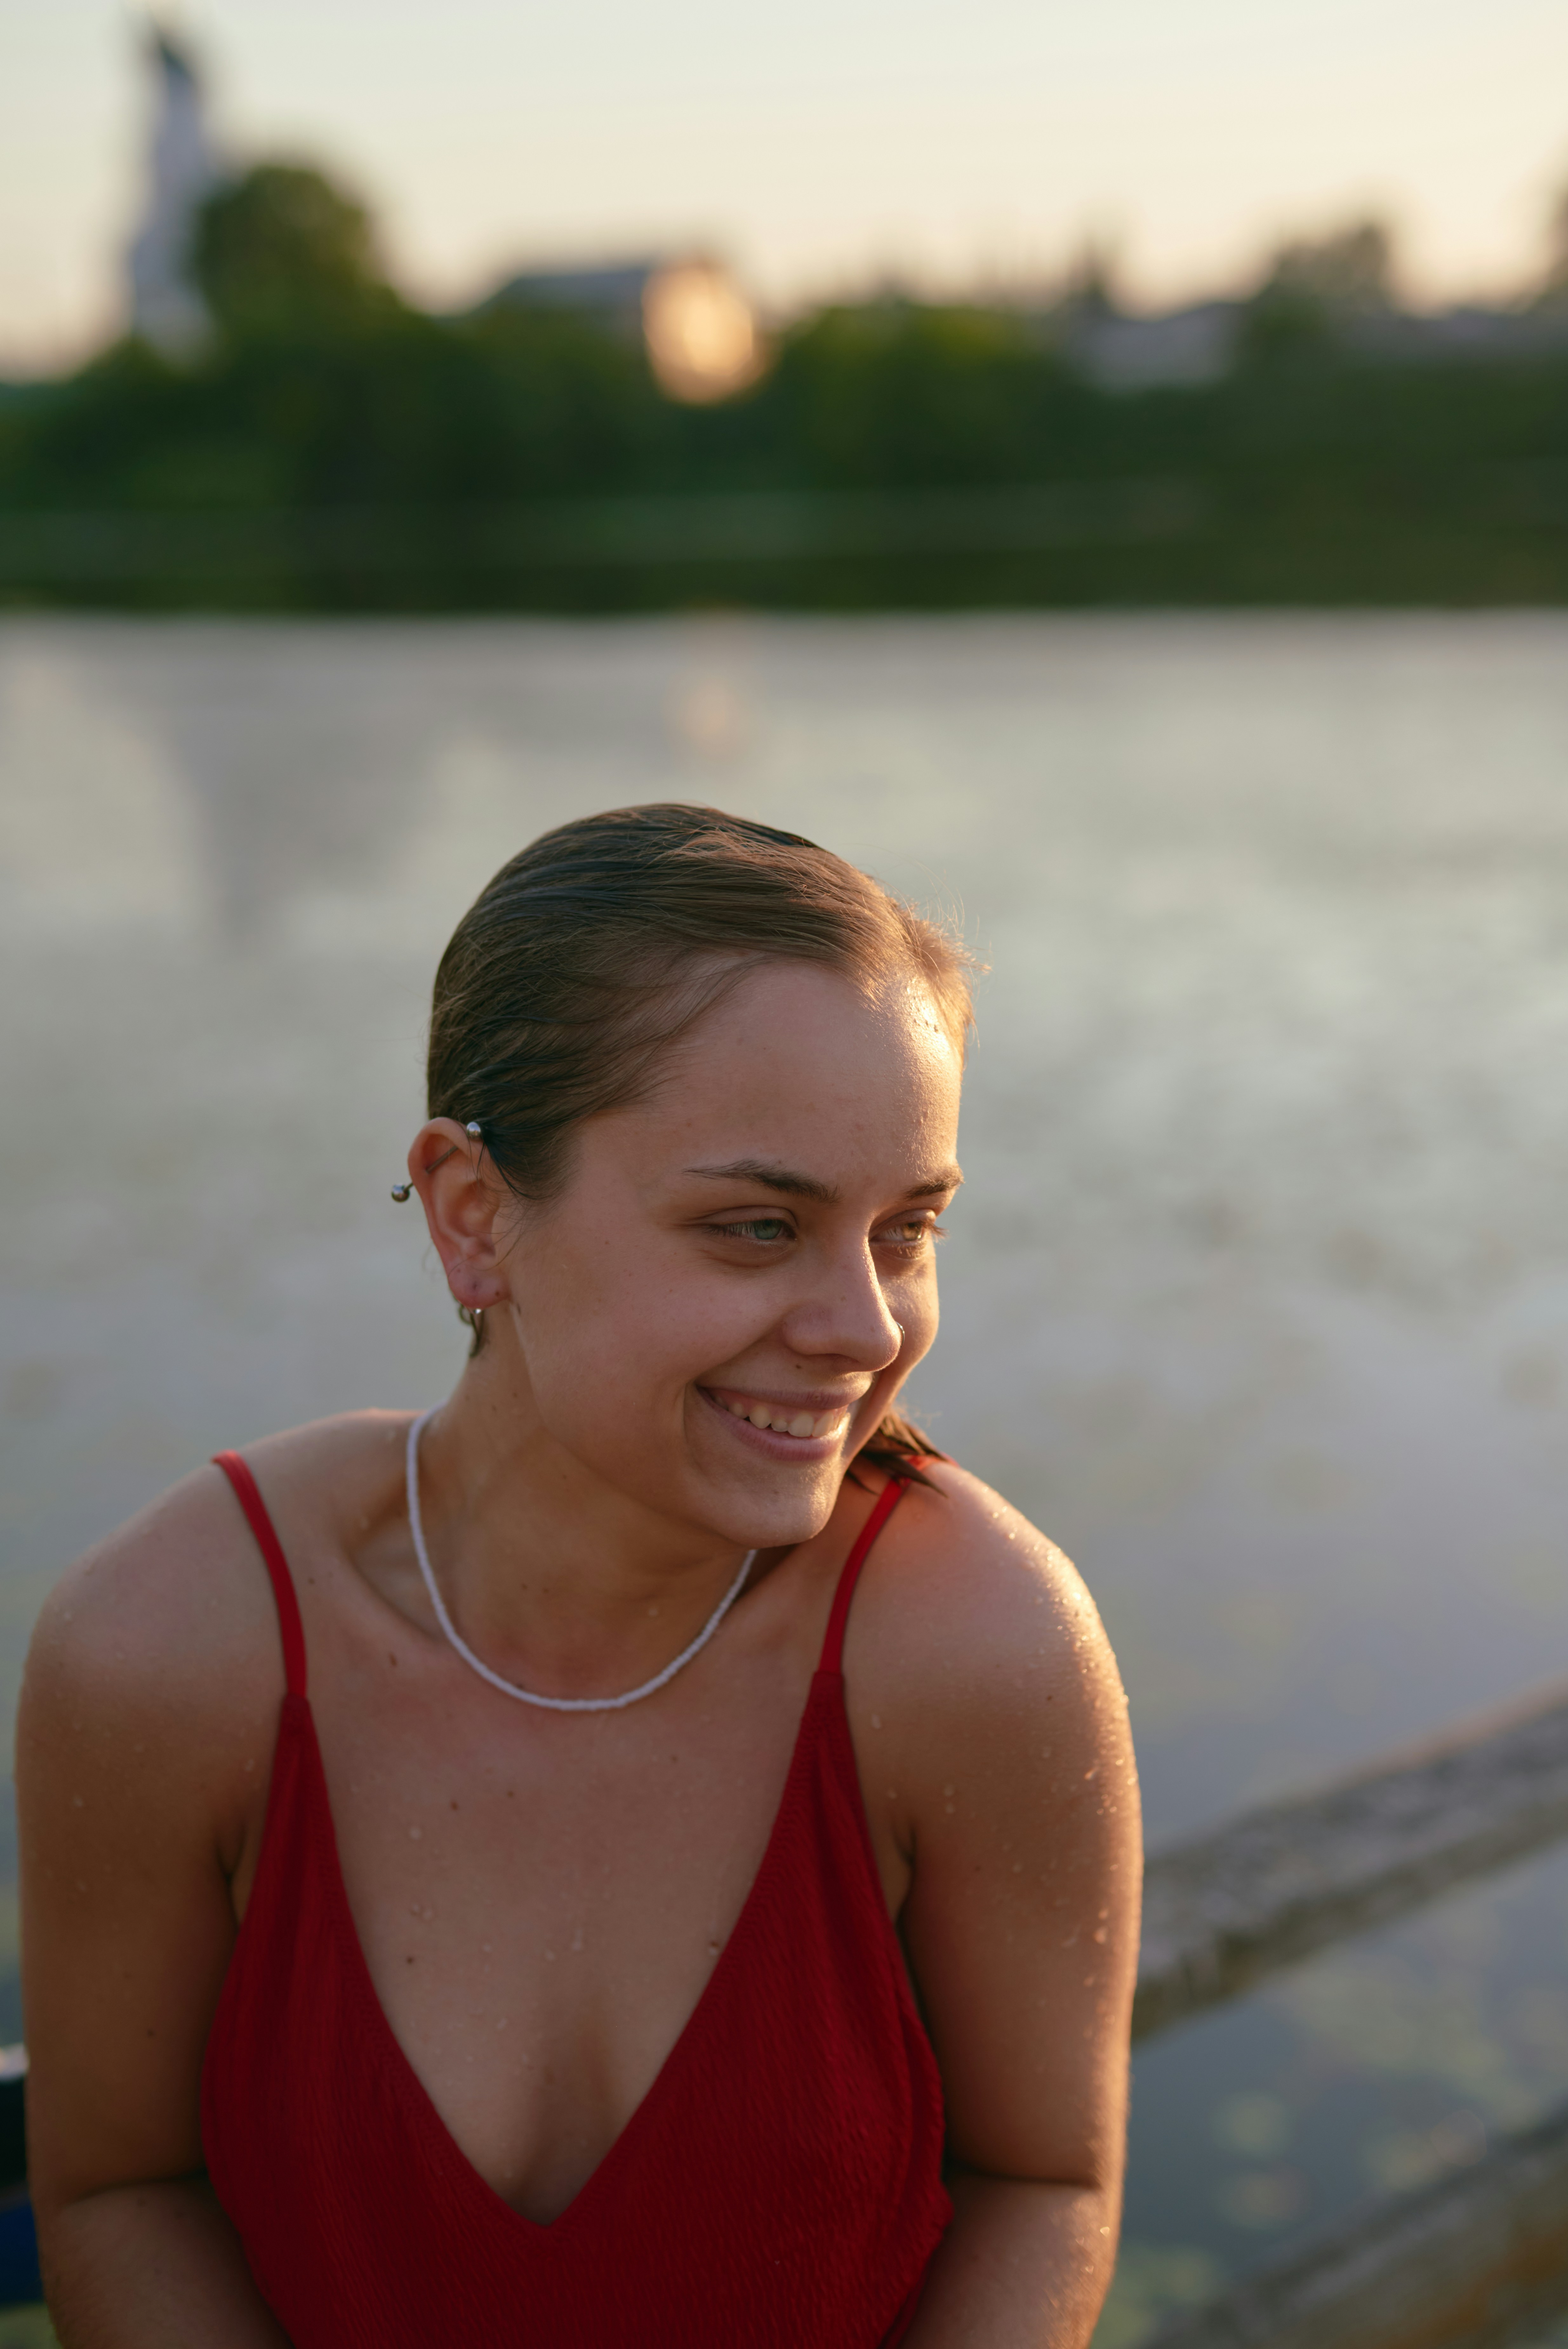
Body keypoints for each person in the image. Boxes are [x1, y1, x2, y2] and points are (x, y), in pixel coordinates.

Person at [17, 804, 1140, 2348]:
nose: (867, 1329)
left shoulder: (973, 1650)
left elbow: (1041, 2178)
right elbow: (119, 2189)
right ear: (473, 1215)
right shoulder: (167, 1653)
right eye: (757, 1227)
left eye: (907, 1228)